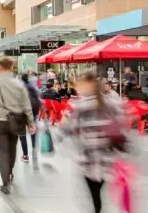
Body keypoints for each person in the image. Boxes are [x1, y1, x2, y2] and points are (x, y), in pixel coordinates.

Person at [57, 71, 128, 213]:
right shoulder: (110, 102)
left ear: (88, 85)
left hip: (89, 154)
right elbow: (122, 121)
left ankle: (97, 207)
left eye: (80, 84)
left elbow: (69, 127)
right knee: (98, 183)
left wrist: (58, 136)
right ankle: (97, 206)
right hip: (107, 154)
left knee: (93, 186)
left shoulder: (81, 105)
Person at [0, 57, 36, 194]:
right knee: (12, 148)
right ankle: (10, 172)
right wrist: (31, 123)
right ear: (12, 67)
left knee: (2, 152)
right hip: (16, 121)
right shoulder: (19, 84)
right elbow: (26, 105)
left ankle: (5, 182)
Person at [19, 73, 41, 163]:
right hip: (33, 112)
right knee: (33, 132)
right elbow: (39, 99)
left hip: (22, 113)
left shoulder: (20, 87)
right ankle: (34, 152)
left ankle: (25, 155)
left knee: (22, 134)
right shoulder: (33, 87)